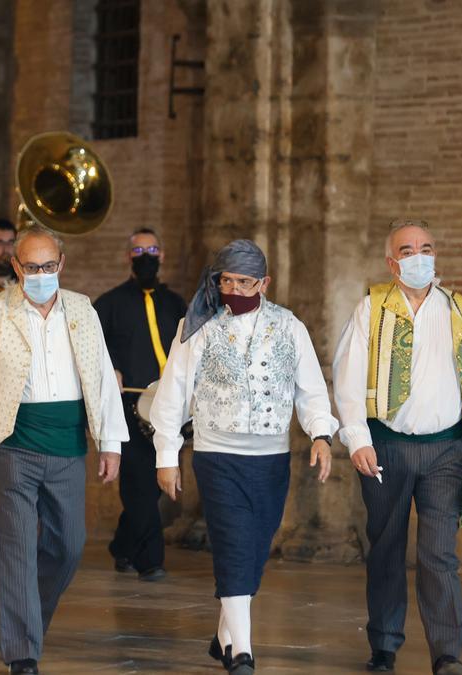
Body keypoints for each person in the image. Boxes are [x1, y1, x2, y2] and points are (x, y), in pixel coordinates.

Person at [0, 224, 128, 675]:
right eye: (31, 267)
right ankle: (22, 651)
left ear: (61, 265)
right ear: (16, 266)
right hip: (9, 444)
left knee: (70, 546)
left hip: (66, 445)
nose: (41, 273)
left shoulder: (83, 311)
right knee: (16, 550)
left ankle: (26, 620)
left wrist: (111, 440)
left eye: (48, 266)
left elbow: (102, 376)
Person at [151, 240, 338, 675]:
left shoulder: (289, 327)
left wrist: (321, 435)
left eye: (244, 281)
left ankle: (223, 636)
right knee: (233, 544)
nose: (233, 287)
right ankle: (242, 653)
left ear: (264, 283)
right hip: (217, 455)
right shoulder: (198, 325)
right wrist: (166, 453)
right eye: (226, 279)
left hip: (270, 458)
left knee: (254, 549)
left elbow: (309, 387)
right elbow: (173, 392)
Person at [332, 220, 462, 675]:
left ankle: (447, 653)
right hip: (387, 447)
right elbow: (347, 376)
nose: (419, 256)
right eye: (407, 250)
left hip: (448, 450)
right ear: (392, 262)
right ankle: (384, 644)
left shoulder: (458, 310)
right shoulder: (372, 308)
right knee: (386, 546)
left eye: (426, 247)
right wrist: (358, 439)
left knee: (439, 552)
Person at [93, 228, 185, 581]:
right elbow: (93, 350)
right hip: (129, 410)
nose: (145, 255)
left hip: (169, 411)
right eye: (137, 249)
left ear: (162, 255)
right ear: (127, 257)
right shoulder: (109, 303)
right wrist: (110, 369)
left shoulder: (177, 304)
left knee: (150, 487)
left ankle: (122, 546)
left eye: (152, 248)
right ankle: (151, 561)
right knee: (139, 484)